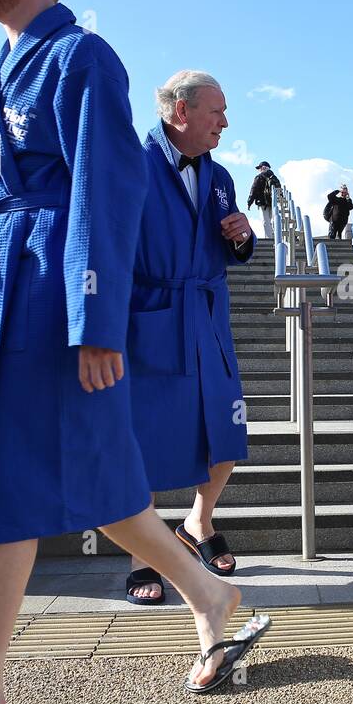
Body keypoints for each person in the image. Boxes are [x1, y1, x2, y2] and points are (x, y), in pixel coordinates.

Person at [0, 0, 265, 704]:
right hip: (6, 284)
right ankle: (208, 595)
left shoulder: (82, 56)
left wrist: (97, 321)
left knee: (4, 473)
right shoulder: (1, 64)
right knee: (102, 481)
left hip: (51, 294)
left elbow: (110, 186)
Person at [124, 70, 254, 604]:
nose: (225, 121)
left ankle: (198, 523)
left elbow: (232, 245)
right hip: (151, 312)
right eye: (216, 111)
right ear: (181, 112)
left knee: (228, 424)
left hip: (207, 312)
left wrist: (243, 236)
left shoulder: (220, 175)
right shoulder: (130, 165)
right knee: (145, 436)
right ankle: (143, 556)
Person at [246, 161, 280, 238]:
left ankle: (269, 238)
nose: (259, 170)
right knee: (273, 220)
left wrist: (249, 202)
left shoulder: (259, 177)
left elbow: (253, 190)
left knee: (266, 221)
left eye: (259, 168)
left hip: (262, 203)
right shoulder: (274, 177)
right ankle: (276, 236)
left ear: (263, 168)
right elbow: (279, 190)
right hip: (272, 203)